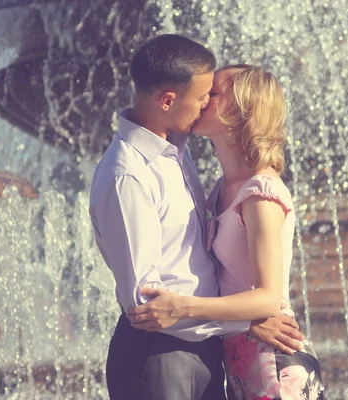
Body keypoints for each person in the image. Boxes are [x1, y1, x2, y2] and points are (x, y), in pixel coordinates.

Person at [89, 35, 304, 400]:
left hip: (211, 352)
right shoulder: (129, 175)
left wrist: (244, 321)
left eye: (213, 95)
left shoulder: (177, 153)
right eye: (203, 95)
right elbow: (147, 306)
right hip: (159, 358)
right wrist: (247, 320)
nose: (205, 103)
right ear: (169, 100)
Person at [127, 64, 325, 400]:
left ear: (242, 109)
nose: (201, 99)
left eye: (212, 93)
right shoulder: (223, 189)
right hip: (241, 354)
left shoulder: (261, 193)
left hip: (275, 359)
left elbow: (267, 296)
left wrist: (181, 308)